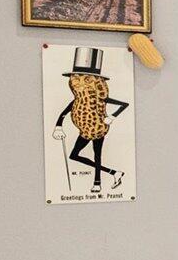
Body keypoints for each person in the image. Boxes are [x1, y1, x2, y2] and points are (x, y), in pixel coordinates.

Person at [52, 47, 127, 192]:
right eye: (76, 77)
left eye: (84, 78)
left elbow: (124, 104)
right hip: (85, 131)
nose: (78, 82)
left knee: (97, 155)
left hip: (98, 128)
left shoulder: (101, 98)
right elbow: (64, 112)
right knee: (74, 155)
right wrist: (58, 126)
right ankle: (114, 173)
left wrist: (112, 116)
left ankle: (97, 183)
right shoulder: (78, 100)